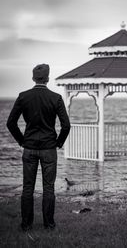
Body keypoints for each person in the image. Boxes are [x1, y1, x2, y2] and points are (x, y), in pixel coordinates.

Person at [7, 64, 71, 231]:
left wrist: (22, 141)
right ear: (48, 78)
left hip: (29, 148)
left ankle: (26, 225)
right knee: (48, 187)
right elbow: (66, 126)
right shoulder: (55, 98)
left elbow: (10, 123)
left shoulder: (23, 96)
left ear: (33, 78)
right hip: (49, 148)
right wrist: (58, 142)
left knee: (27, 187)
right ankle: (49, 225)